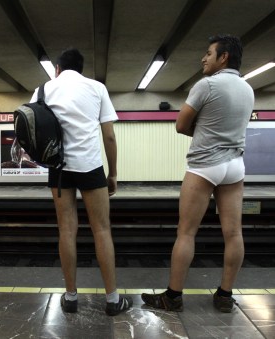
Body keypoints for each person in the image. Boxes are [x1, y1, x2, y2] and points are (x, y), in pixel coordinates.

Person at [142, 35, 254, 313]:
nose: (203, 59)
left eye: (208, 53)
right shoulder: (248, 89)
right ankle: (225, 296)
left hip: (205, 165)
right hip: (235, 166)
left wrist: (202, 131)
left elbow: (181, 125)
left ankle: (173, 296)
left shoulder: (206, 85)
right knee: (234, 233)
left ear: (223, 57)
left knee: (186, 232)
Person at [31, 48, 132, 316]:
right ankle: (112, 300)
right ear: (81, 68)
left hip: (59, 168)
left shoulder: (44, 89)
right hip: (90, 166)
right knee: (101, 230)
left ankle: (71, 297)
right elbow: (109, 137)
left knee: (66, 230)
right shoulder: (97, 88)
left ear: (57, 68)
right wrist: (113, 173)